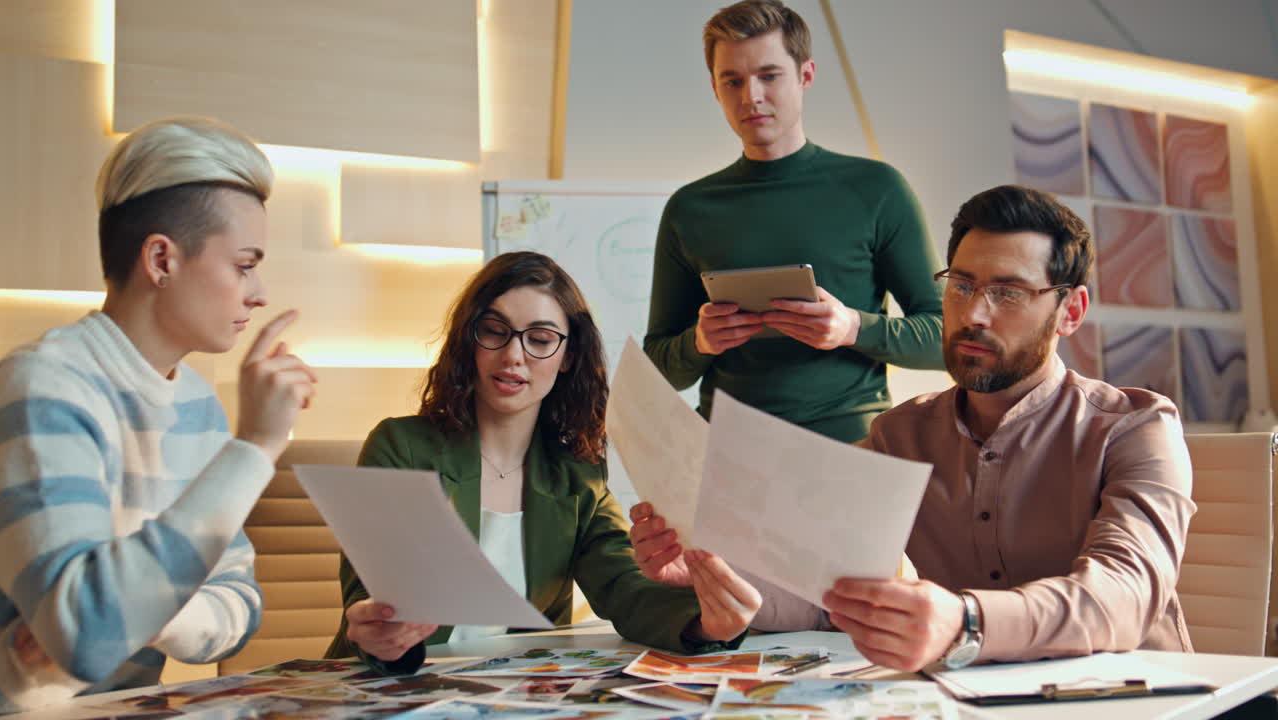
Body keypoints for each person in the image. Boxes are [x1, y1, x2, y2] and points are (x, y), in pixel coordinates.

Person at [634, 185, 1195, 671]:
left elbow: (1124, 595)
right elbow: (825, 594)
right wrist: (717, 569)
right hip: (967, 697)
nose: (974, 313)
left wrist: (966, 621)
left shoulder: (1138, 428)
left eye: (1008, 293)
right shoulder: (897, 437)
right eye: (963, 286)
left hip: (1140, 698)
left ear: (1070, 312)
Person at [0, 117, 316, 712]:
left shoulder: (196, 402)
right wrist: (254, 449)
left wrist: (136, 607)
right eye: (244, 264)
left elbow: (241, 605)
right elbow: (89, 638)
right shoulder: (41, 387)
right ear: (162, 260)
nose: (259, 292)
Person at [325, 251, 759, 675]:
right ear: (468, 340)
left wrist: (705, 624)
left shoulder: (576, 471)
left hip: (512, 694)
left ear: (567, 356)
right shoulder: (400, 446)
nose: (514, 355)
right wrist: (380, 630)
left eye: (540, 339)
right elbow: (370, 590)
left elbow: (623, 585)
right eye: (495, 331)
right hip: (399, 682)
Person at [644, 0, 944, 445]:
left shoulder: (878, 189)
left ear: (806, 75)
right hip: (727, 454)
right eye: (733, 81)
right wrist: (701, 342)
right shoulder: (689, 208)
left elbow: (946, 338)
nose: (751, 97)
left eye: (769, 75)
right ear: (715, 88)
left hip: (849, 453)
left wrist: (850, 328)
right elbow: (660, 368)